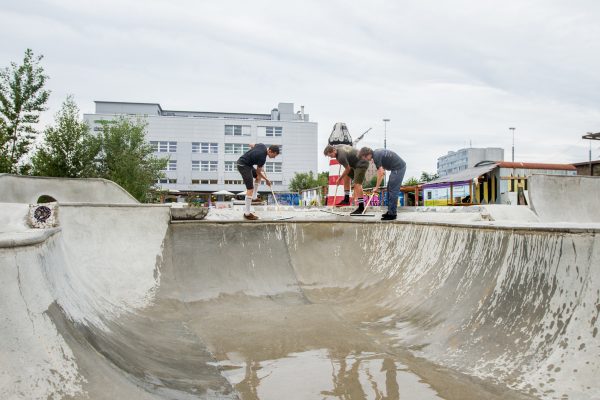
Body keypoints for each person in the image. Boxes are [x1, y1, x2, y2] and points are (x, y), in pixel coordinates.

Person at [359, 147, 406, 220]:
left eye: (364, 158)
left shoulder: (376, 157)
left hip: (399, 168)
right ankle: (390, 211)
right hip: (396, 168)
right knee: (389, 189)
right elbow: (382, 172)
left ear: (368, 154)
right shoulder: (376, 154)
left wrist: (376, 187)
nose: (365, 160)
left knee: (393, 190)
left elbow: (380, 174)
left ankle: (392, 214)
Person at [237, 143, 280, 220]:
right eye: (274, 155)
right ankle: (247, 214)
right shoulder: (262, 158)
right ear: (270, 151)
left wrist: (252, 155)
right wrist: (267, 180)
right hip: (243, 165)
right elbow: (258, 172)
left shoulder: (262, 145)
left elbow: (251, 145)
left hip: (248, 164)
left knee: (258, 178)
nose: (273, 158)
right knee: (250, 189)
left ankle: (254, 197)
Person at [323, 144, 370, 215]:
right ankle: (346, 199)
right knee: (346, 176)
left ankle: (361, 207)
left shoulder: (340, 157)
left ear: (333, 151)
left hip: (361, 163)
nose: (331, 157)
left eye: (330, 155)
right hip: (354, 163)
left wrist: (339, 179)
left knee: (357, 184)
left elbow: (347, 169)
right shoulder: (336, 147)